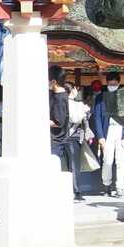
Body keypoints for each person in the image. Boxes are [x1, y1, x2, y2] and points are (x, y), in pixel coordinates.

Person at [48, 65, 83, 201]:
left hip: (56, 139)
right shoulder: (53, 94)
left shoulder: (61, 97)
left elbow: (59, 121)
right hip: (53, 139)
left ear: (53, 81)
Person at [91, 72, 124, 197]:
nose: (113, 86)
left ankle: (120, 188)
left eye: (115, 84)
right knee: (107, 160)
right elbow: (97, 118)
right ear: (107, 83)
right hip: (108, 131)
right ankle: (107, 185)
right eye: (111, 84)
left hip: (121, 129)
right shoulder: (100, 98)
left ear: (119, 83)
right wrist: (100, 136)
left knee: (121, 160)